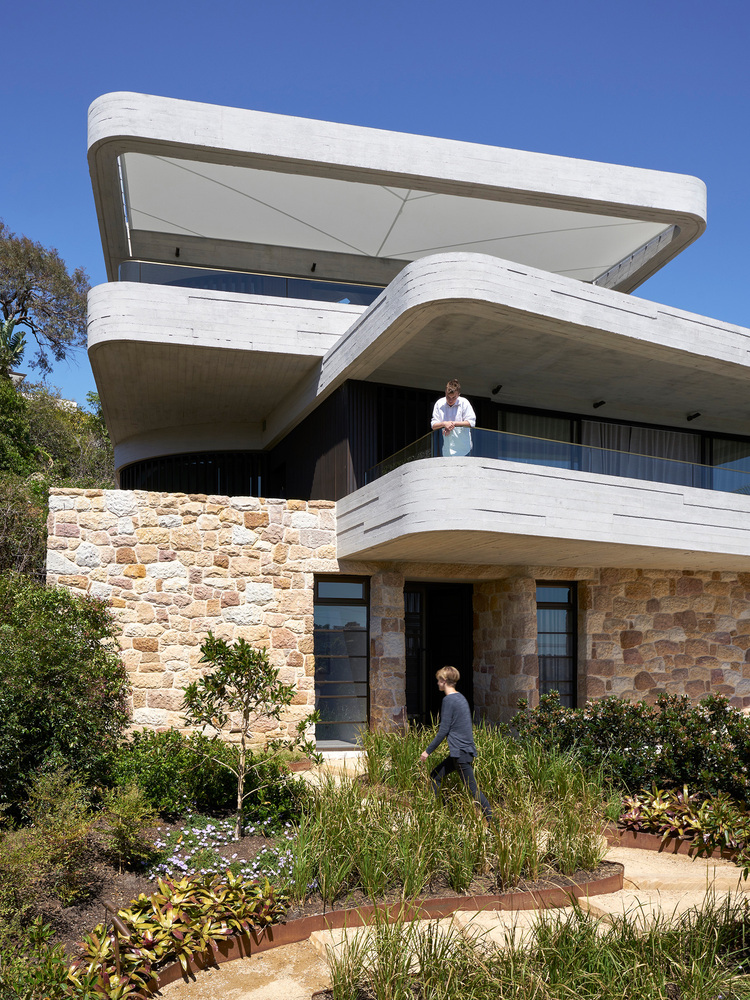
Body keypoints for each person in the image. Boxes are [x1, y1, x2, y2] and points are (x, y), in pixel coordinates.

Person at [420, 666, 493, 821]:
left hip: (460, 753)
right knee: (435, 776)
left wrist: (427, 751)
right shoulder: (460, 698)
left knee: (473, 789)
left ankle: (493, 822)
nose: (437, 683)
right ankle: (440, 813)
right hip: (462, 752)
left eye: (439, 680)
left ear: (444, 681)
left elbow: (443, 730)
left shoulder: (449, 700)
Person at [431, 379, 476, 457]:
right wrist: (444, 424)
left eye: (454, 397)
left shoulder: (464, 403)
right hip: (447, 450)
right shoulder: (439, 403)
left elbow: (471, 422)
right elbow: (433, 425)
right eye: (448, 397)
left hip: (464, 449)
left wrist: (453, 424)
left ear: (458, 394)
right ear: (445, 393)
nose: (450, 400)